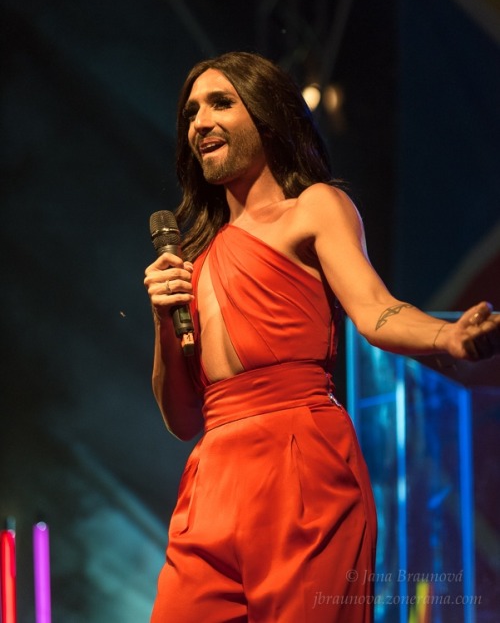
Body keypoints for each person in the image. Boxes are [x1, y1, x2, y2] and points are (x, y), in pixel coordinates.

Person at [144, 51, 500, 623]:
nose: (199, 122)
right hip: (211, 477)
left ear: (266, 114)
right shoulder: (191, 258)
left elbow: (377, 311)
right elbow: (185, 419)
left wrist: (449, 335)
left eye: (220, 103)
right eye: (190, 112)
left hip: (300, 458)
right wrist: (163, 318)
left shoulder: (313, 207)